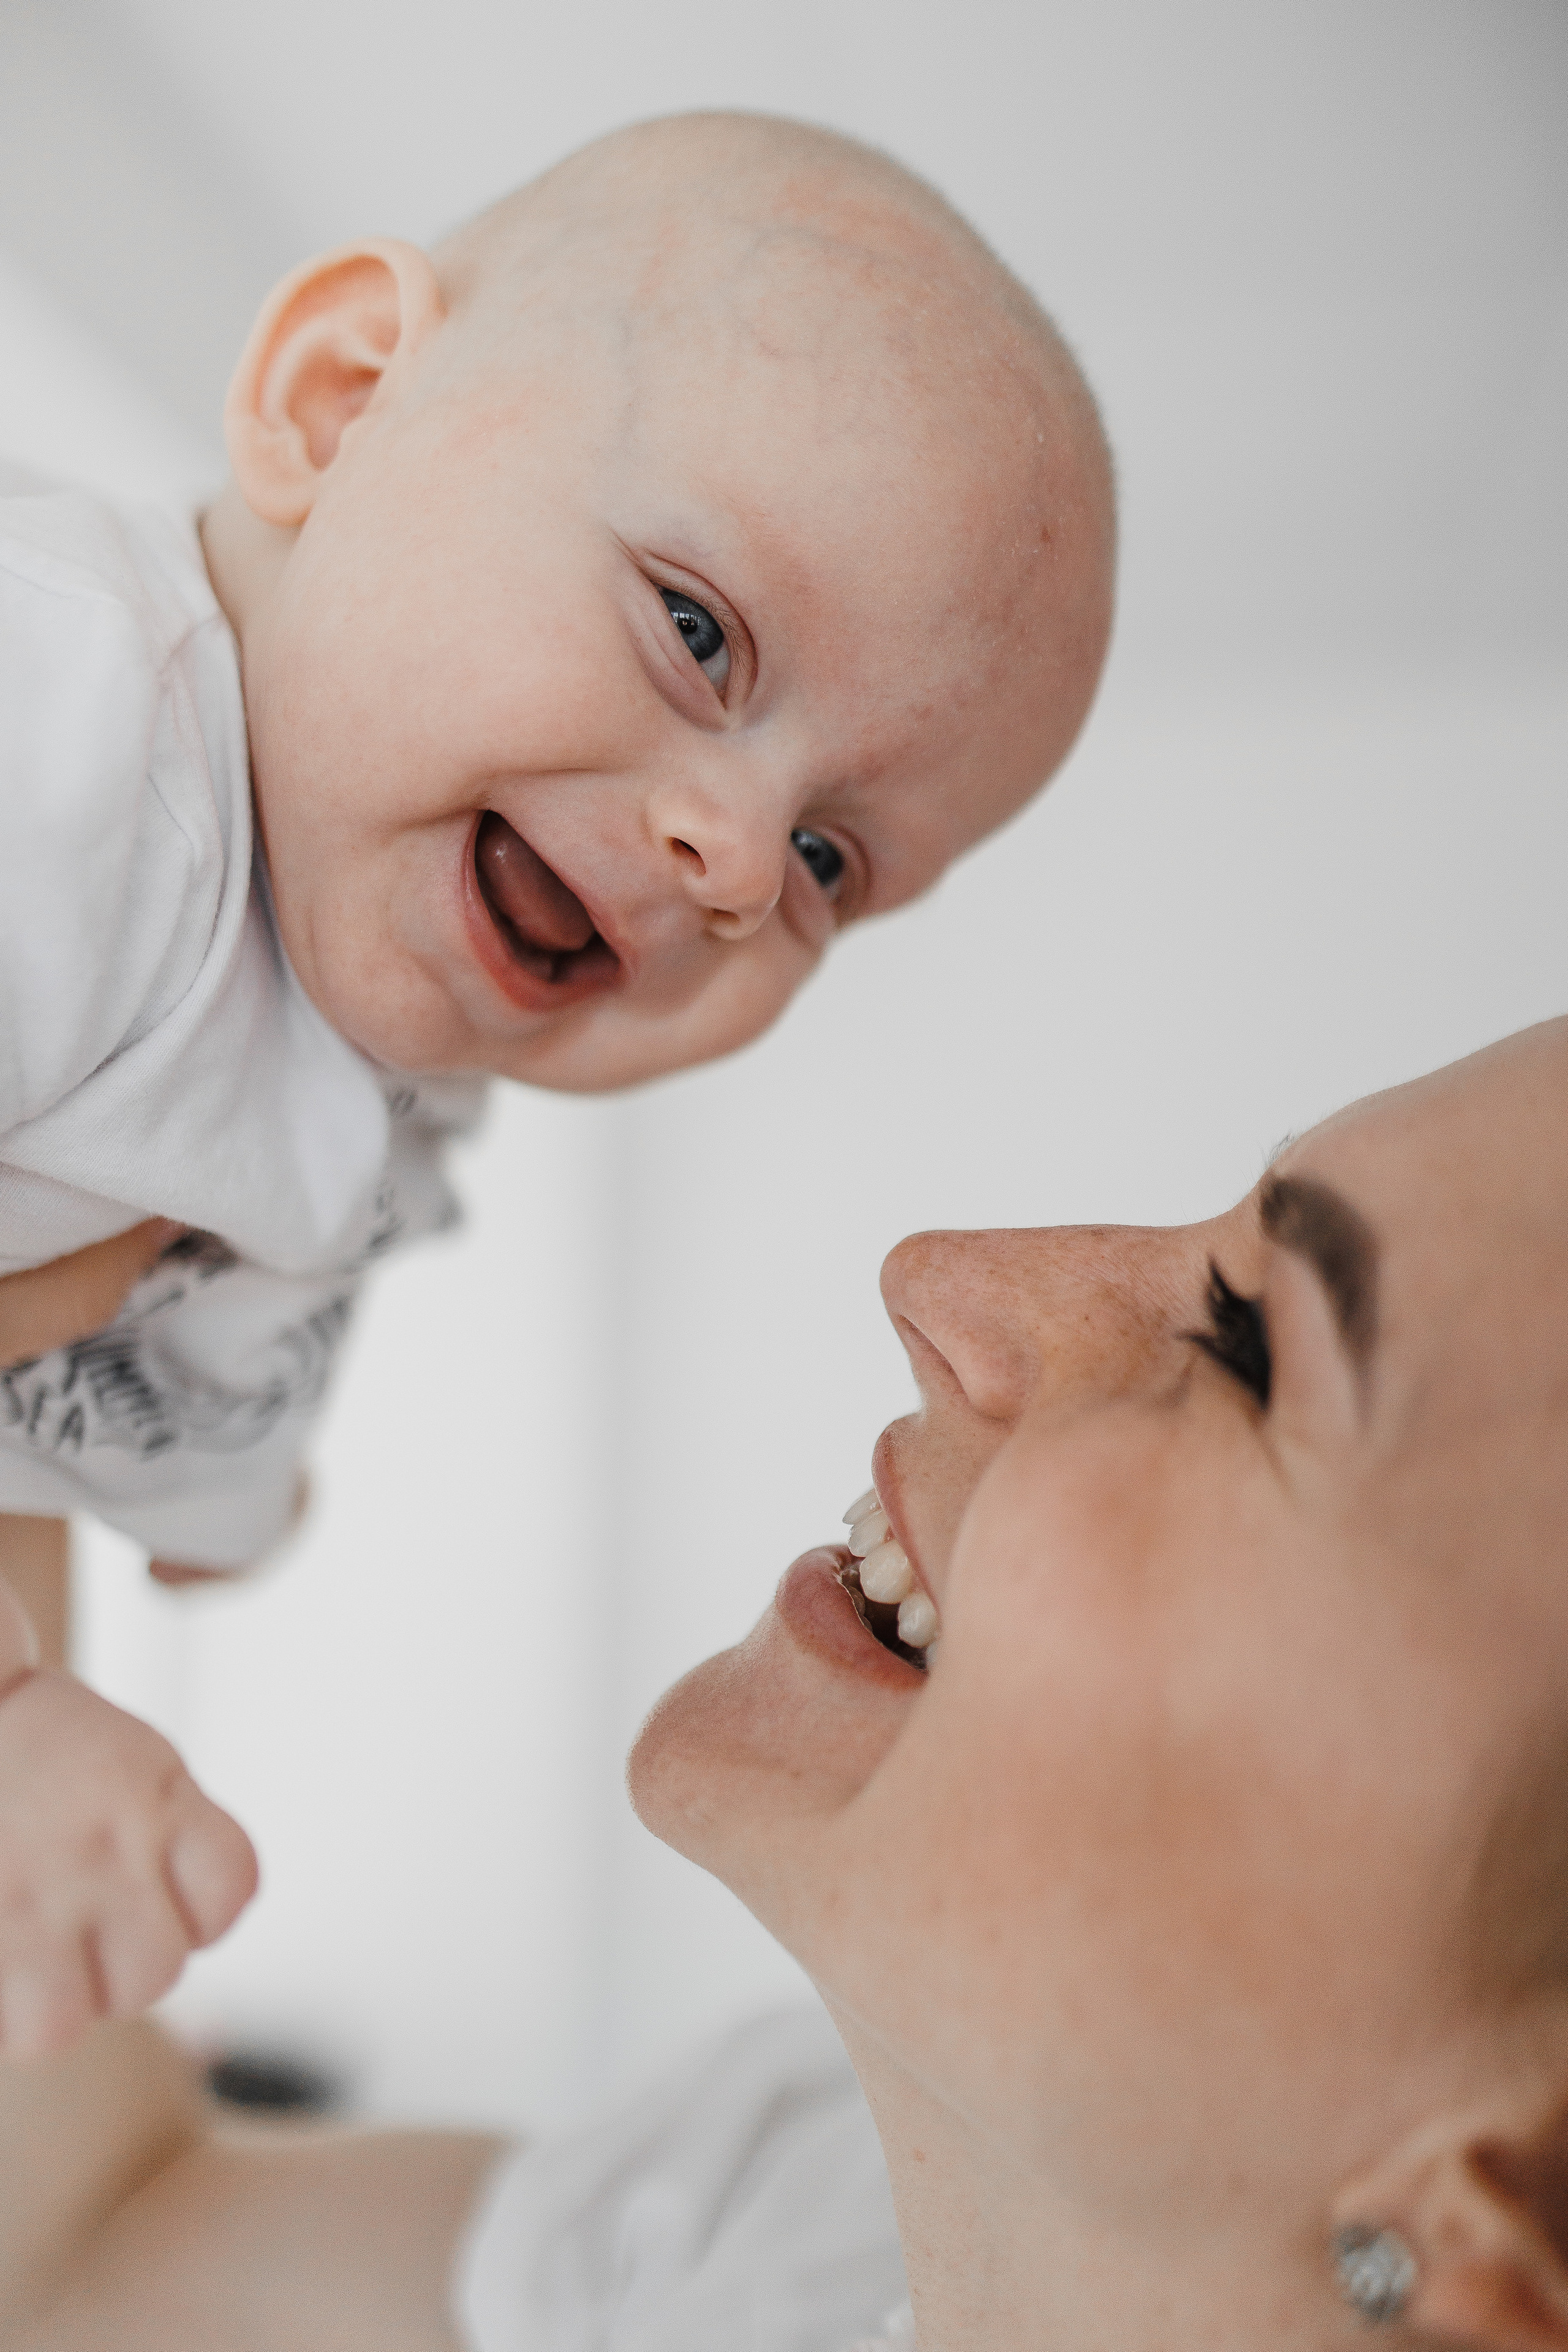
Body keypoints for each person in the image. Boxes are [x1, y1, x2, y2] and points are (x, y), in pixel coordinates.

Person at [0, 111, 1117, 2057]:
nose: (743, 864)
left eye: (839, 864)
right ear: (341, 406)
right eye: (699, 634)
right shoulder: (72, 730)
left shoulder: (382, 1057)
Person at [2, 1014, 1566, 2352]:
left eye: (1246, 1353)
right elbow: (94, 2248)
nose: (939, 1279)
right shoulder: (792, 2208)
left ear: (1490, 2229)